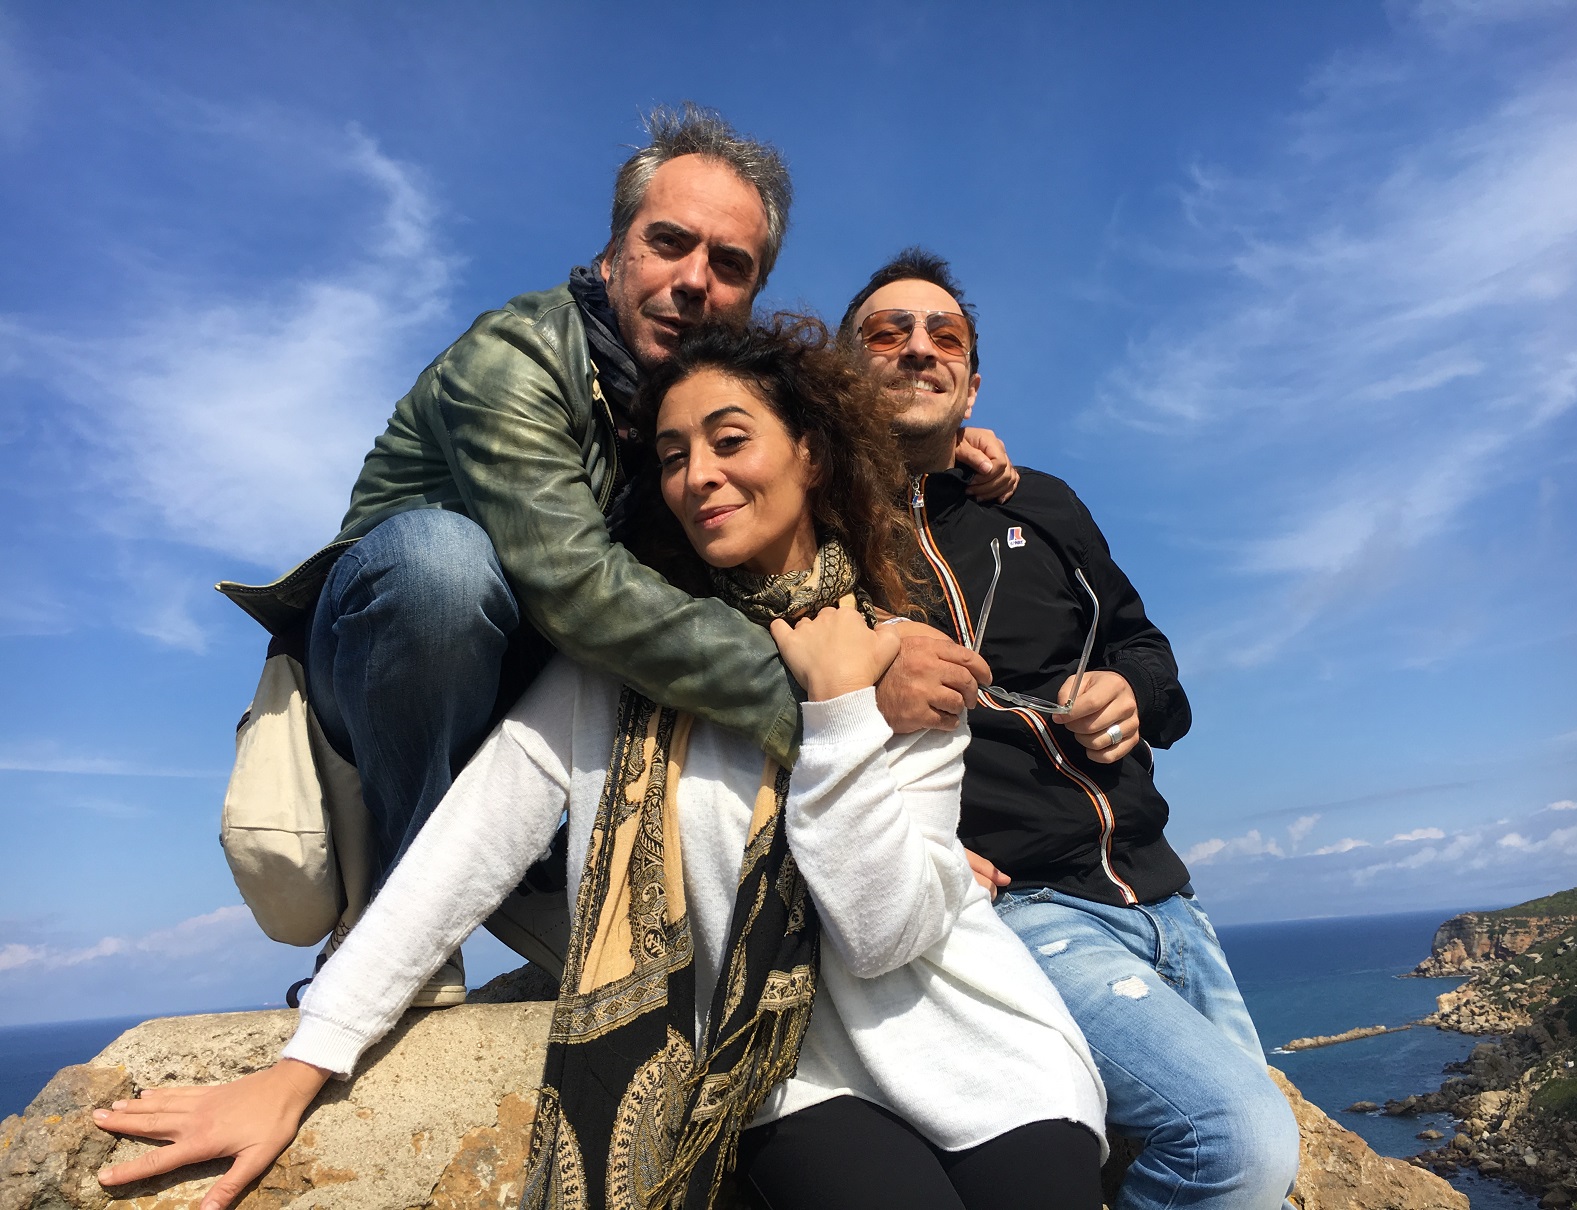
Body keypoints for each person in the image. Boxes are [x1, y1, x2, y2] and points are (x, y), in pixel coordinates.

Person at [96, 317, 1107, 1210]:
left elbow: (888, 935)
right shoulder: (624, 673)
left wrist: (841, 711)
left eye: (729, 440)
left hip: (975, 1047)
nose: (697, 475)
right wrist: (302, 1064)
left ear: (808, 452)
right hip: (783, 1073)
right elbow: (467, 843)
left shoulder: (905, 659)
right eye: (671, 455)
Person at [216, 107, 1009, 1003]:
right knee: (442, 568)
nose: (694, 281)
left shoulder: (682, 407)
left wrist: (939, 456)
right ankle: (392, 916)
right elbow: (580, 590)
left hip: (542, 695)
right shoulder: (515, 358)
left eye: (730, 265)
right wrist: (838, 697)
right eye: (668, 243)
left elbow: (792, 504)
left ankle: (544, 877)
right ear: (612, 253)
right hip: (386, 676)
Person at [839, 249, 1300, 1210]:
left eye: (944, 336)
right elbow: (788, 721)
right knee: (1237, 1145)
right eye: (886, 332)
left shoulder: (1040, 503)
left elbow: (1149, 653)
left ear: (971, 383)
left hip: (1165, 897)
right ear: (841, 374)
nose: (918, 348)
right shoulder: (817, 531)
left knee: (1265, 1162)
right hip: (1025, 905)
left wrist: (1130, 689)